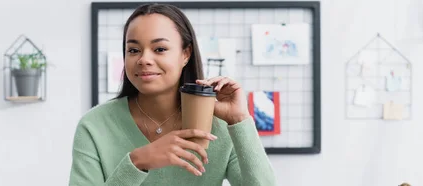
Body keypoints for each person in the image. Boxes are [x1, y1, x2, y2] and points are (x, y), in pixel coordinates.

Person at [69, 3, 276, 186]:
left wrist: (239, 119)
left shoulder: (219, 125)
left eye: (159, 49)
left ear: (185, 54)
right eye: (133, 50)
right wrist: (137, 162)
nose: (144, 59)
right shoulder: (94, 126)